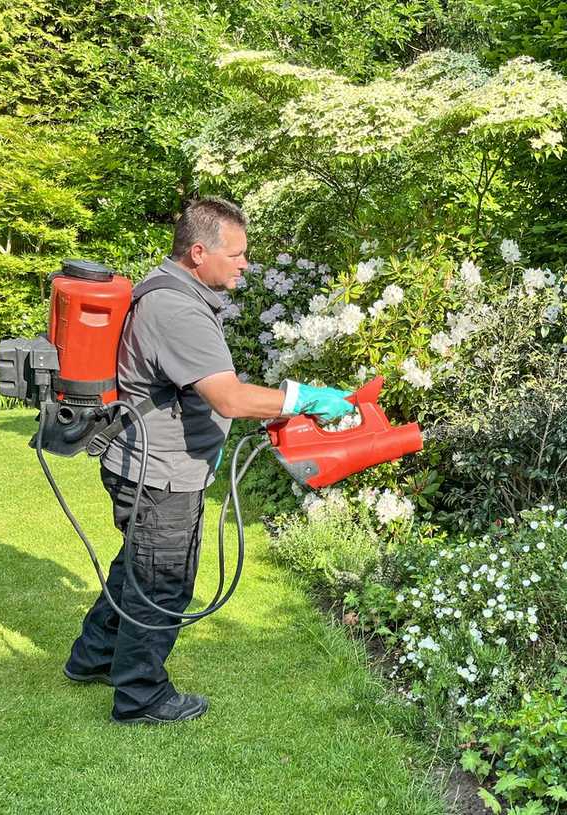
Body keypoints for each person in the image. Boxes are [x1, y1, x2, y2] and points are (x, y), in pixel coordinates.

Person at [63, 196, 352, 725]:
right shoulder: (176, 309)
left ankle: (93, 658)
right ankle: (141, 696)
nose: (246, 264)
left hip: (148, 463)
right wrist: (305, 398)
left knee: (137, 566)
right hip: (160, 473)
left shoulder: (170, 287)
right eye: (237, 255)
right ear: (199, 252)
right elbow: (230, 399)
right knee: (161, 580)